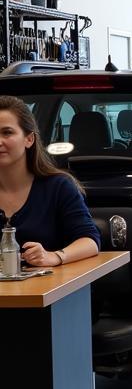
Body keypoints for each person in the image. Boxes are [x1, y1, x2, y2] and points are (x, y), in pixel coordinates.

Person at [0, 95, 100, 267]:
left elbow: (90, 241)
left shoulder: (58, 186)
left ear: (29, 139)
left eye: (7, 132)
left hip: (51, 291)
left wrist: (54, 256)